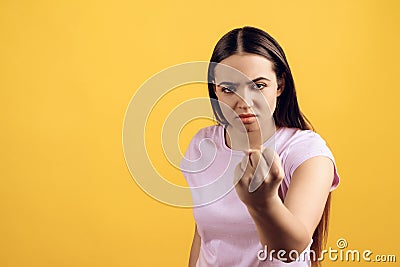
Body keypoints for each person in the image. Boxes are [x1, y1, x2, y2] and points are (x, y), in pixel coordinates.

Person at [180, 26, 340, 267]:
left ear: (280, 85)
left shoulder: (307, 153)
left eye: (258, 85)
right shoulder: (203, 145)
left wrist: (263, 203)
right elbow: (204, 237)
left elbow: (290, 251)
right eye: (228, 89)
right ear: (216, 91)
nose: (244, 101)